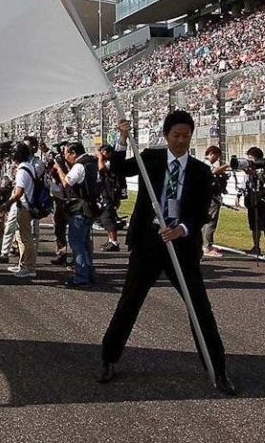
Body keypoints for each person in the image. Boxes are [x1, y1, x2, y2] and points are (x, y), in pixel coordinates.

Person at [99, 111, 235, 396]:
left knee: (200, 307)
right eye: (176, 136)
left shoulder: (200, 171)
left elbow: (201, 213)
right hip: (148, 243)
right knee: (129, 302)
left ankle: (218, 369)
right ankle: (108, 359)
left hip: (182, 247)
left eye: (186, 136)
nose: (181, 141)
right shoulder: (151, 158)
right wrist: (122, 139)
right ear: (166, 136)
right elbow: (118, 170)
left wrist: (182, 229)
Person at [54, 142, 99, 287]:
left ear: (73, 153)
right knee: (85, 243)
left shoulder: (80, 165)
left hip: (80, 208)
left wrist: (59, 168)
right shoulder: (91, 162)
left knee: (76, 243)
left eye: (67, 153)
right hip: (91, 206)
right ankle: (89, 273)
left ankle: (81, 277)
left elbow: (67, 183)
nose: (65, 156)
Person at [0, 142, 37, 278]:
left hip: (24, 206)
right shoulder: (29, 166)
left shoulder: (22, 170)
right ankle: (23, 264)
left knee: (26, 239)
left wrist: (7, 203)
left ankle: (30, 267)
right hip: (25, 205)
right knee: (20, 237)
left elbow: (19, 191)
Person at [243, 147, 265, 259]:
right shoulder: (248, 168)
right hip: (251, 198)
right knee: (254, 225)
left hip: (263, 199)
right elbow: (245, 183)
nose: (249, 160)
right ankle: (256, 246)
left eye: (251, 158)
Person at [96, 143, 124, 253]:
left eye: (103, 152)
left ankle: (114, 242)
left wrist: (99, 158)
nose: (101, 154)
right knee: (105, 218)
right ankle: (110, 239)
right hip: (105, 193)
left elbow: (102, 170)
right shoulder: (105, 161)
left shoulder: (111, 163)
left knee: (108, 218)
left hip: (111, 194)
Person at [202, 146, 229, 259]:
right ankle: (207, 247)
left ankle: (205, 245)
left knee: (206, 222)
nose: (217, 159)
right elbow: (213, 171)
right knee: (210, 221)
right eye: (217, 156)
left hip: (208, 197)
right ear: (212, 153)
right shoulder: (205, 164)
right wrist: (227, 165)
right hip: (210, 197)